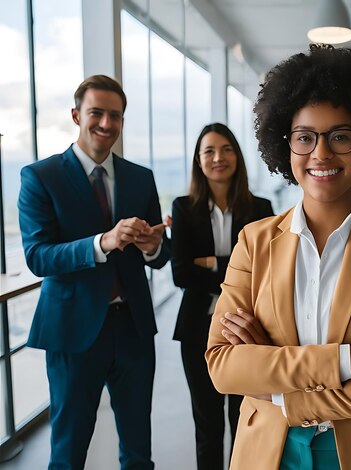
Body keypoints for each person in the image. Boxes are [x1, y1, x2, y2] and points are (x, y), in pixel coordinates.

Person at [206, 44, 351, 470]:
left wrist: (279, 386)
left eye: (341, 136)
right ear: (285, 144)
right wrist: (350, 359)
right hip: (268, 454)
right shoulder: (253, 243)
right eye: (305, 137)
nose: (322, 153)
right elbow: (223, 366)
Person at [18, 75, 169, 469]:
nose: (106, 123)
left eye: (115, 116)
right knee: (68, 452)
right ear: (76, 115)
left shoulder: (141, 177)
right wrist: (102, 243)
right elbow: (38, 256)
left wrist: (153, 248)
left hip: (133, 328)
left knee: (139, 450)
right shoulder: (40, 177)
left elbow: (159, 252)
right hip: (72, 331)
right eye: (96, 113)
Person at [170, 123, 273, 469]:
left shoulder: (261, 209)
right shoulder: (184, 208)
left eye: (226, 149)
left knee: (245, 420)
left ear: (237, 157)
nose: (218, 158)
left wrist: (214, 264)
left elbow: (268, 272)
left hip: (249, 330)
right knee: (207, 424)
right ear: (198, 161)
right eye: (209, 151)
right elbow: (181, 273)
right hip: (197, 330)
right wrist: (237, 271)